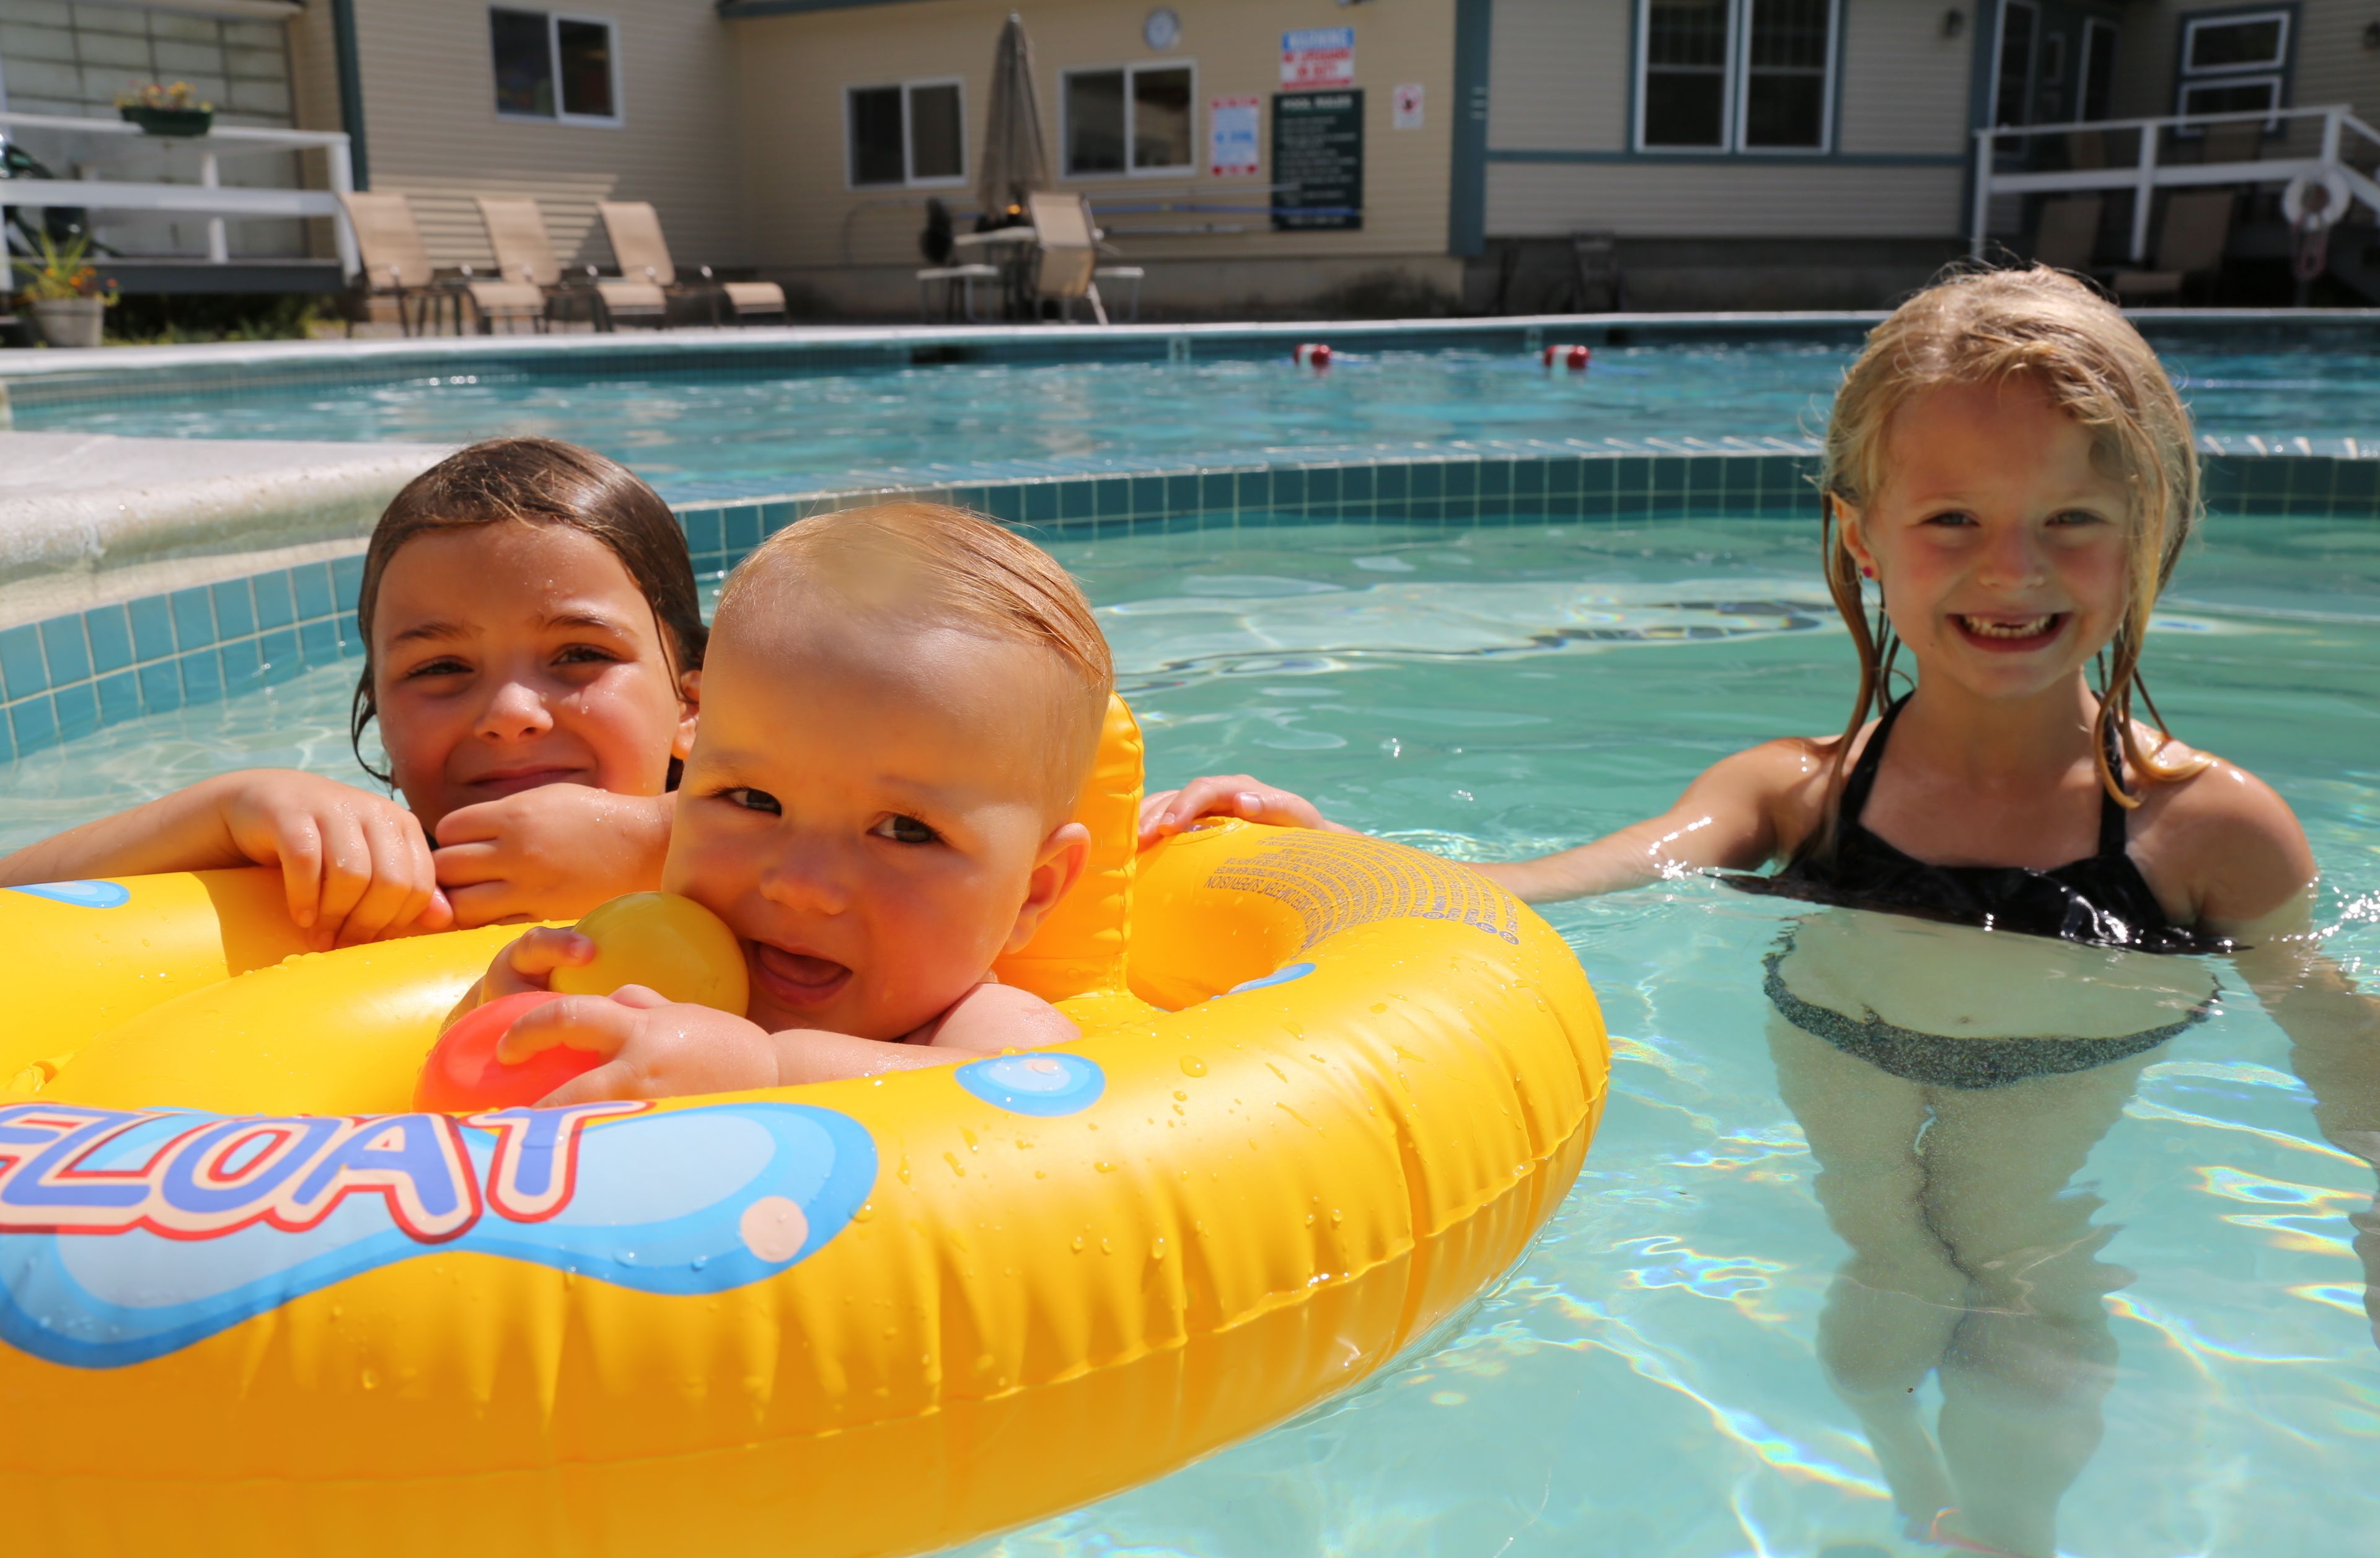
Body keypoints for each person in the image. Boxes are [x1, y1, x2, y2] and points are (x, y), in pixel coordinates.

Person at [1138, 267, 2380, 1557]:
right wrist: (1337, 850)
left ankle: (2013, 1535)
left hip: (2040, 1152)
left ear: (2145, 530)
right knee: (1876, 1320)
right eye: (1951, 518)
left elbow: (2339, 1044)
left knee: (2030, 1328)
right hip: (1858, 1143)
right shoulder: (1792, 798)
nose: (2013, 570)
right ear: (1864, 537)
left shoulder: (2205, 833)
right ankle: (1906, 1483)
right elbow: (1572, 878)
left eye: (2072, 518)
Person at [474, 501, 1100, 1101]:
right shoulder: (635, 974)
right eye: (751, 798)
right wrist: (508, 1017)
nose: (801, 884)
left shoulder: (994, 1032)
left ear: (1033, 890)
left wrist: (762, 1068)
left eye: (905, 830)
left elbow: (1043, 1110)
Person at [0, 438, 702, 948]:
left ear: (695, 708)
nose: (509, 715)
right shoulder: (356, 876)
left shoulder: (765, 871)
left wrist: (654, 843)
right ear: (384, 730)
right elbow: (18, 902)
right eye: (439, 668)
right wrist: (225, 810)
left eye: (580, 654)